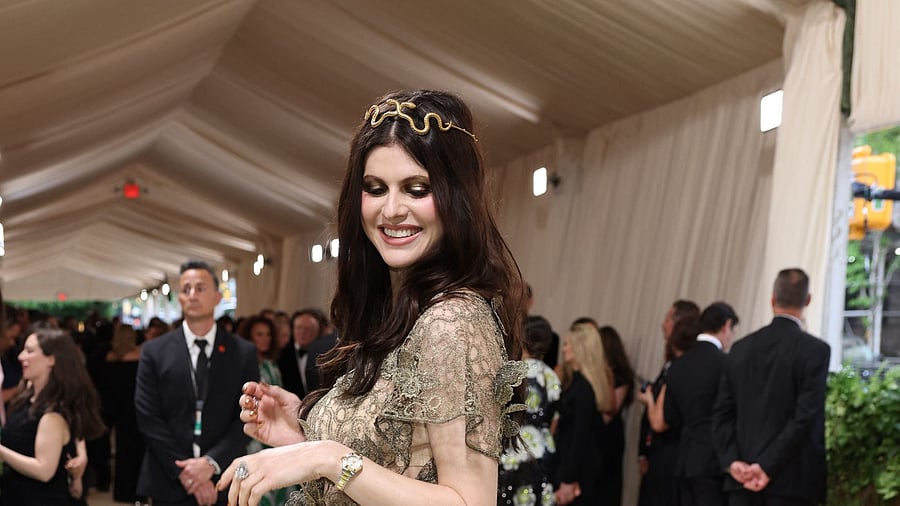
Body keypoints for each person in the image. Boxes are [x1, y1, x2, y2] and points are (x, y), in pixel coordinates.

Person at [215, 89, 528, 505]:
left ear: (457, 197)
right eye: (375, 188)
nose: (392, 209)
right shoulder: (400, 310)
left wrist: (326, 455)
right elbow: (399, 458)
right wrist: (306, 429)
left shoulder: (451, 322)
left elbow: (468, 502)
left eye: (417, 189)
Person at [135, 259, 259, 505]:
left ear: (216, 297)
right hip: (169, 478)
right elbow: (148, 418)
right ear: (179, 299)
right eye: (186, 289)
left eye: (200, 288)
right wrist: (186, 472)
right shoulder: (154, 351)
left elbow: (247, 417)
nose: (192, 295)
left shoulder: (242, 352)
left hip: (225, 478)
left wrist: (210, 464)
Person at [713, 269, 830, 506]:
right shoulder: (815, 351)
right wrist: (766, 466)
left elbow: (722, 414)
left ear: (772, 299)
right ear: (808, 300)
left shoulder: (740, 349)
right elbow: (804, 417)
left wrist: (733, 462)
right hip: (793, 481)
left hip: (742, 480)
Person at [643, 302, 739, 506]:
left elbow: (666, 418)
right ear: (726, 326)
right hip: (715, 462)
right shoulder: (727, 364)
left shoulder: (677, 366)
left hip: (684, 460)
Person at [0, 326, 105, 505]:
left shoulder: (52, 415)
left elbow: (44, 471)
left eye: (29, 351)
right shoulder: (27, 394)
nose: (21, 356)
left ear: (51, 359)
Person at [637, 299, 700, 506]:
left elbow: (660, 420)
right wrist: (643, 452)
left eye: (667, 318)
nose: (663, 324)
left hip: (671, 454)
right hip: (657, 453)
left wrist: (648, 399)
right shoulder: (670, 364)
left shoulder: (682, 368)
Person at [498, 317, 560, 506]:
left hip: (513, 447)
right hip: (541, 448)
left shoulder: (513, 372)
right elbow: (554, 419)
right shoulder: (552, 376)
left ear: (521, 339)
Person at [554, 323, 614, 505]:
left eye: (567, 344)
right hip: (571, 463)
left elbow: (580, 436)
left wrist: (568, 478)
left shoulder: (583, 389)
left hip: (577, 469)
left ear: (580, 348)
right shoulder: (576, 383)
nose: (563, 350)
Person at [104, 324, 145, 503]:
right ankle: (139, 492)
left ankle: (123, 491)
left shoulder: (110, 359)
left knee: (123, 451)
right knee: (139, 452)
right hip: (137, 409)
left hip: (119, 410)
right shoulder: (140, 357)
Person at [597, 325, 635, 506]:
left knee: (606, 484)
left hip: (608, 436)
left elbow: (610, 411)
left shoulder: (620, 375)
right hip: (595, 433)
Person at [276, 308, 336, 399]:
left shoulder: (326, 354)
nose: (302, 332)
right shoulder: (281, 354)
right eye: (299, 328)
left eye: (308, 329)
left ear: (317, 332)